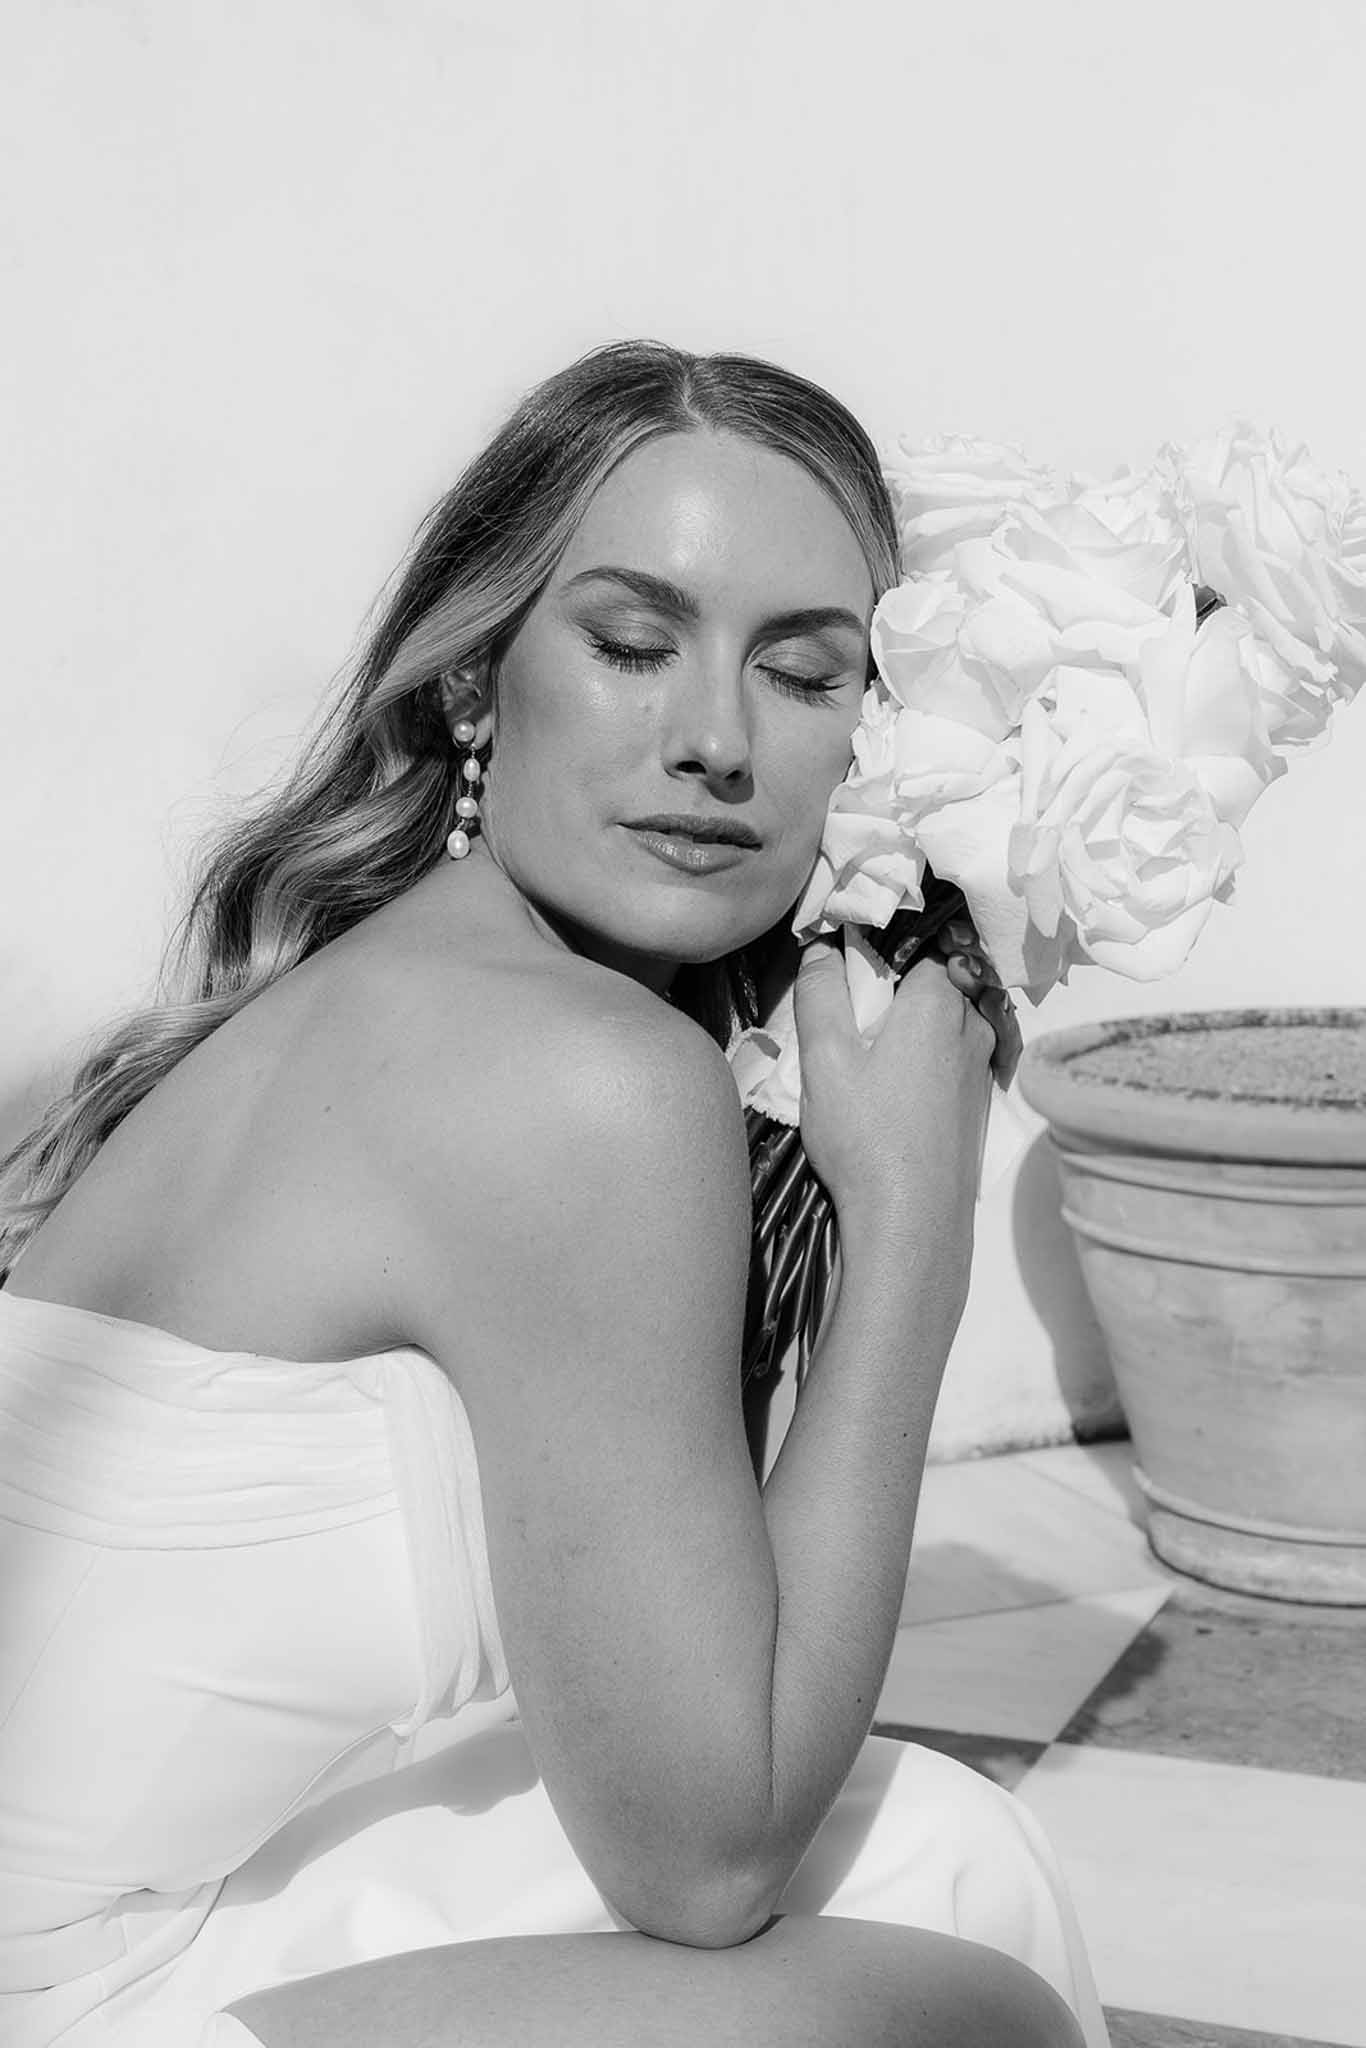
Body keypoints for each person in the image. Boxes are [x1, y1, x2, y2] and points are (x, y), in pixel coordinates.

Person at [0, 341, 1109, 2048]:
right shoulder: (576, 1081)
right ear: (472, 680)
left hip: (142, 1909)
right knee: (959, 2012)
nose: (715, 741)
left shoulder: (405, 991)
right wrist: (915, 1215)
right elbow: (708, 1859)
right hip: (65, 1994)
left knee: (942, 1851)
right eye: (630, 645)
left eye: (803, 675)